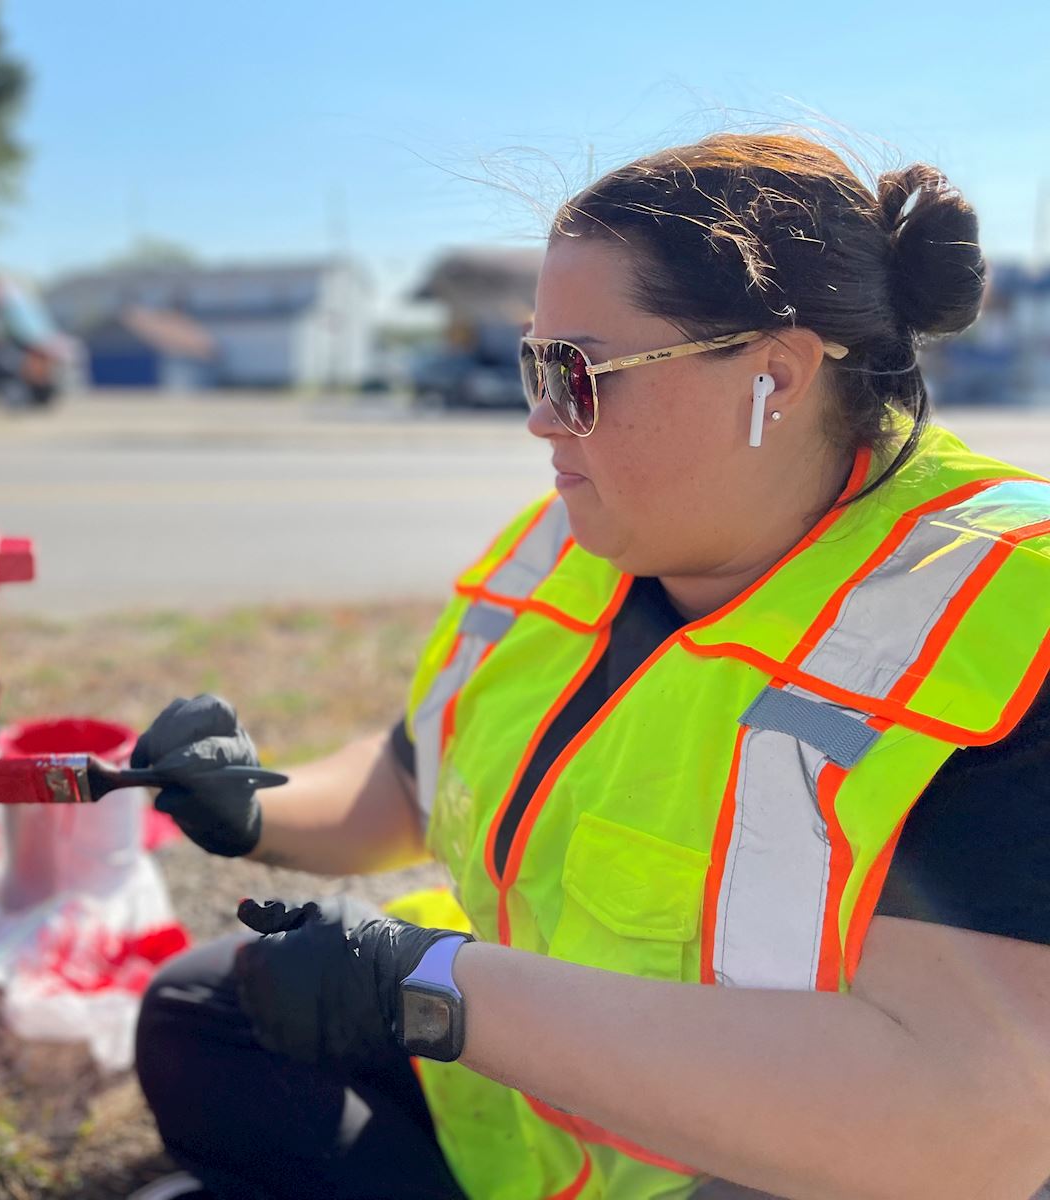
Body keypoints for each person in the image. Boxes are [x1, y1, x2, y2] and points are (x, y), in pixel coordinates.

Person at [129, 134, 1050, 1200]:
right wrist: (249, 802)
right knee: (205, 1017)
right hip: (552, 1106)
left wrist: (430, 986)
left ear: (776, 374)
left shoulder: (1002, 614)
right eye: (534, 363)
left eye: (576, 372)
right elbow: (408, 778)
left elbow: (972, 1131)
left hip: (781, 1161)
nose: (538, 417)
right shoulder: (583, 538)